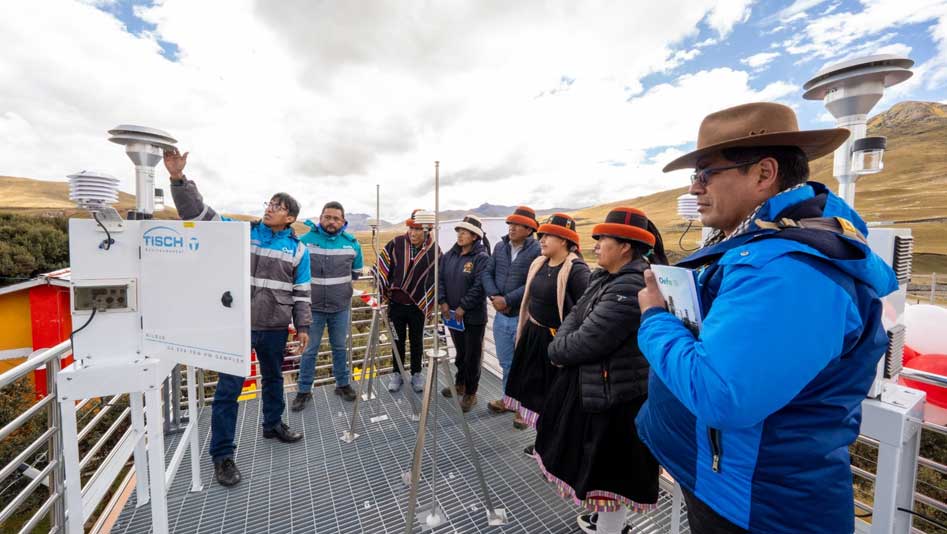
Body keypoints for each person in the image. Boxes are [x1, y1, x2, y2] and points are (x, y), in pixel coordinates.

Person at [634, 102, 898, 533]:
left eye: (705, 174)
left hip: (756, 507)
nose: (694, 189)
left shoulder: (788, 272)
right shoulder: (758, 249)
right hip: (728, 484)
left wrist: (654, 318)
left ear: (763, 173)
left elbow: (721, 395)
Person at [163, 148, 311, 488]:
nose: (269, 208)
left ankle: (273, 424)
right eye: (270, 203)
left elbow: (302, 292)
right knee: (228, 390)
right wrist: (178, 179)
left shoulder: (298, 250)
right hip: (238, 326)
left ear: (290, 217)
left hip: (275, 327)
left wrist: (303, 326)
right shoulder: (241, 232)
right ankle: (222, 456)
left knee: (273, 379)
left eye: (278, 206)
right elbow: (199, 215)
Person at [535, 208, 667, 534]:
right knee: (600, 468)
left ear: (625, 246)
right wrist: (562, 343)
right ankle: (602, 522)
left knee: (611, 474)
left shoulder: (631, 286)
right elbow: (575, 317)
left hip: (616, 401)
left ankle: (610, 528)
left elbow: (589, 340)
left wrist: (557, 350)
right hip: (600, 389)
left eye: (602, 239)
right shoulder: (604, 278)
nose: (594, 245)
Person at [502, 213, 589, 430]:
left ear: (564, 240)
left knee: (552, 396)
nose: (541, 240)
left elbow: (585, 312)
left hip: (556, 342)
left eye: (548, 235)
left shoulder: (577, 270)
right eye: (541, 235)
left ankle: (548, 439)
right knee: (533, 391)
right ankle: (540, 437)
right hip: (533, 336)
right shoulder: (539, 263)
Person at [291, 201, 364, 409]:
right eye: (327, 217)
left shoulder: (352, 244)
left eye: (336, 218)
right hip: (311, 309)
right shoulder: (304, 242)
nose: (331, 221)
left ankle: (343, 385)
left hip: (340, 308)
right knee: (309, 350)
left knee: (340, 347)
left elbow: (355, 273)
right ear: (320, 218)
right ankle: (304, 391)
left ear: (343, 221)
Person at [482, 206, 542, 414]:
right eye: (510, 224)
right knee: (506, 362)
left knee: (525, 363)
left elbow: (533, 282)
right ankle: (509, 399)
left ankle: (524, 408)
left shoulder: (537, 251)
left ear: (529, 229)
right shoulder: (500, 247)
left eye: (518, 225)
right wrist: (494, 297)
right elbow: (487, 272)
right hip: (501, 316)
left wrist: (507, 299)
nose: (512, 228)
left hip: (523, 317)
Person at [377, 209, 440, 393]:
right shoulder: (396, 243)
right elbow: (382, 266)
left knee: (416, 341)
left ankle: (416, 373)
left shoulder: (433, 250)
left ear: (427, 230)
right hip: (396, 305)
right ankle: (397, 373)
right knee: (397, 340)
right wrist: (383, 289)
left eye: (418, 229)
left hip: (417, 306)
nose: (413, 233)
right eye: (411, 228)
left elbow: (437, 277)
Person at [439, 214, 490, 412]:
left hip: (473, 317)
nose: (460, 235)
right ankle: (459, 383)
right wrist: (442, 301)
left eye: (465, 232)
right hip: (452, 315)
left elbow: (480, 286)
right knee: (460, 353)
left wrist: (464, 306)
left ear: (475, 236)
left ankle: (471, 392)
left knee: (472, 356)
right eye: (459, 232)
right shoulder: (449, 256)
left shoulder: (482, 258)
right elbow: (440, 279)